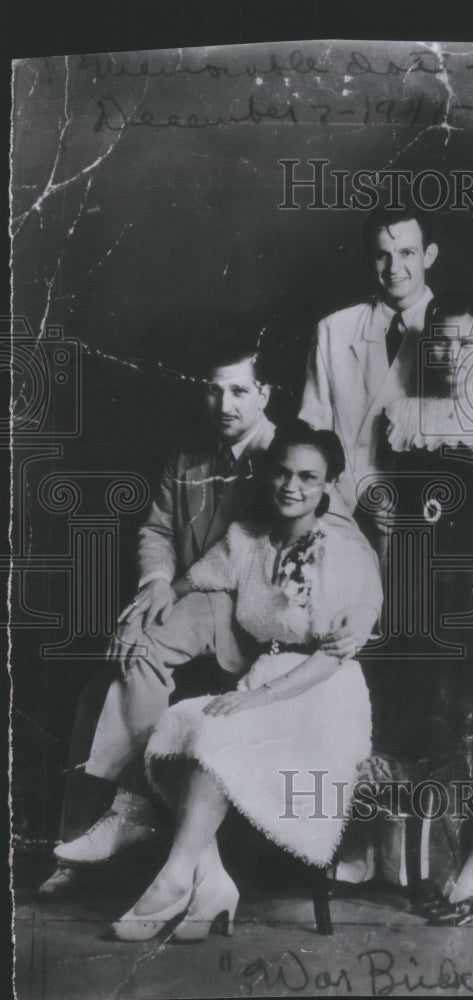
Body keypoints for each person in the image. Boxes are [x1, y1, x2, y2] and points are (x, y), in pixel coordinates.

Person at [108, 421, 382, 942]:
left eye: (308, 477)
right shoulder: (246, 540)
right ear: (266, 475)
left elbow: (331, 658)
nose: (291, 486)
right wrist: (149, 605)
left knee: (216, 735)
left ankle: (171, 879)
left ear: (328, 487)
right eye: (282, 473)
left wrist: (262, 697)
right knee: (181, 725)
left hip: (322, 695)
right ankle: (207, 884)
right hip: (262, 682)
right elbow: (190, 582)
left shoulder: (341, 552)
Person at [42, 346, 276, 891]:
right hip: (185, 606)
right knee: (102, 685)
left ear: (265, 394)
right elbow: (157, 530)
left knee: (136, 651)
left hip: (245, 618)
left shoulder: (281, 455)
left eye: (239, 390)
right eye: (214, 389)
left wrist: (153, 610)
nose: (224, 403)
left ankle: (136, 809)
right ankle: (74, 855)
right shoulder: (190, 455)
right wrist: (152, 587)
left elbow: (248, 561)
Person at [375, 290, 473, 926]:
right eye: (439, 341)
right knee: (423, 730)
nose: (448, 352)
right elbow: (394, 515)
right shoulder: (407, 415)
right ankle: (416, 870)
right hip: (417, 598)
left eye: (464, 341)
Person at [299, 203, 439, 549]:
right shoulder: (334, 329)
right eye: (382, 256)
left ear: (429, 255)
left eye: (407, 252)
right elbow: (311, 430)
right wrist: (349, 496)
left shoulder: (454, 331)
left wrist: (406, 502)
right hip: (334, 512)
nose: (394, 268)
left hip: (417, 519)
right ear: (369, 259)